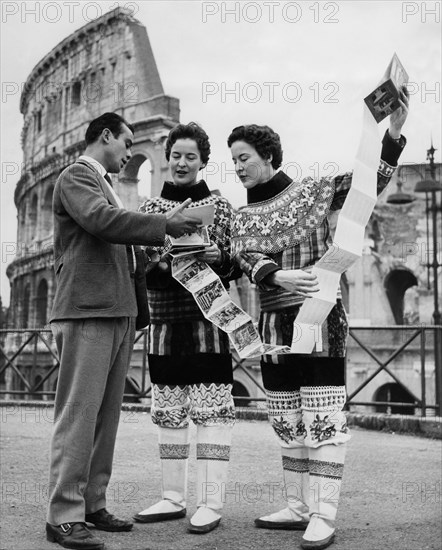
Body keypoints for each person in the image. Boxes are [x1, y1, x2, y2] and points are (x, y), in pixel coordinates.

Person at [228, 89, 409, 550]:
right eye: (233, 160)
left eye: (244, 157)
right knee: (287, 419)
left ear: (267, 155)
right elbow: (242, 256)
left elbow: (371, 182)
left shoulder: (314, 189)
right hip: (272, 327)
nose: (237, 167)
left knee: (323, 416)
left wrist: (391, 132)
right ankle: (298, 506)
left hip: (321, 318)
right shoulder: (243, 213)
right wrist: (277, 274)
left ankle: (324, 514)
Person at [46, 112, 200, 550]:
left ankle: (91, 504)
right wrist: (163, 226)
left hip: (115, 310)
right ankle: (63, 514)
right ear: (106, 136)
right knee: (79, 414)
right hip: (87, 310)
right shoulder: (77, 176)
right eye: (127, 142)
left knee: (105, 416)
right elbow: (102, 222)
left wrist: (156, 257)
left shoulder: (106, 184)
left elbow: (120, 246)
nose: (131, 152)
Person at [133, 122, 236, 534]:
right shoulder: (150, 210)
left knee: (211, 413)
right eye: (176, 155)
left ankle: (210, 502)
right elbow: (140, 267)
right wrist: (163, 261)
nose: (181, 163)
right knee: (169, 412)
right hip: (163, 324)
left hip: (208, 322)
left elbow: (234, 263)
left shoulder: (221, 206)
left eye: (190, 156)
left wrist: (216, 254)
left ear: (203, 162)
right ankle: (173, 498)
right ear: (166, 159)